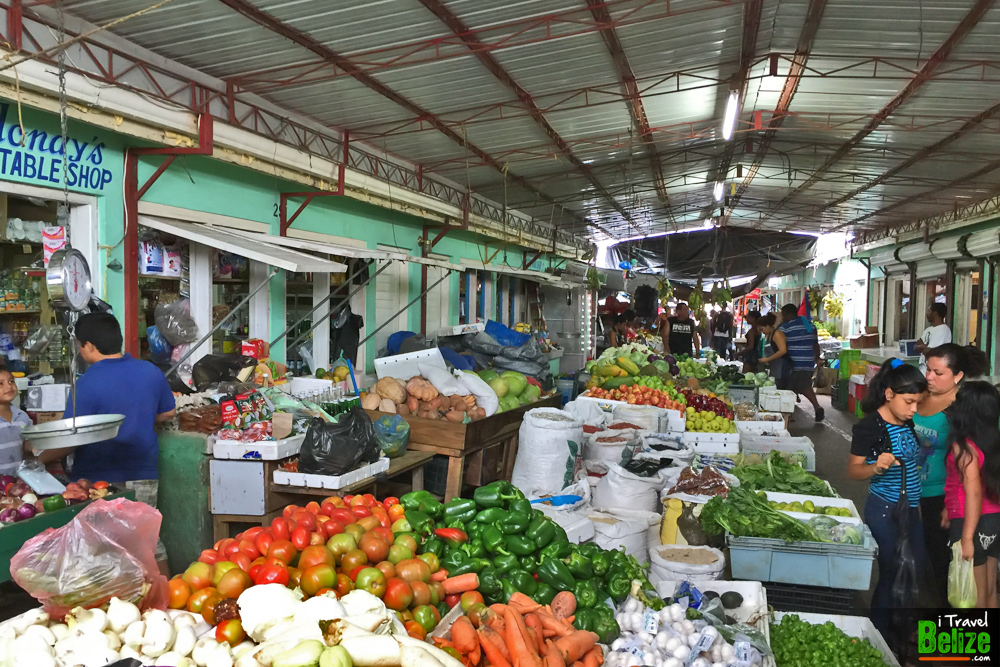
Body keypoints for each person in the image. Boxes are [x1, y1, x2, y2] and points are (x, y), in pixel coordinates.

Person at [36, 313, 176, 572]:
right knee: (146, 539)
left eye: (79, 345)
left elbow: (72, 436)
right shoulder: (149, 370)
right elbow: (168, 412)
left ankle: (114, 600)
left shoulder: (87, 383)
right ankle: (164, 598)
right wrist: (140, 415)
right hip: (142, 472)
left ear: (88, 345)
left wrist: (38, 459)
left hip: (98, 479)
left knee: (101, 545)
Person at [848, 359, 930, 634]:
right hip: (883, 510)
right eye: (909, 401)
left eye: (917, 402)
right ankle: (881, 636)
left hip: (910, 509)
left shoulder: (908, 422)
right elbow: (854, 471)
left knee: (912, 571)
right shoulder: (870, 427)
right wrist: (876, 466)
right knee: (891, 572)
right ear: (889, 394)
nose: (914, 409)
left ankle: (899, 632)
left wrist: (916, 509)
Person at [914, 344, 988, 593]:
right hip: (910, 491)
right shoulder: (919, 394)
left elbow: (975, 463)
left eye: (938, 372)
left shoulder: (962, 408)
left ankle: (941, 624)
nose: (929, 376)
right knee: (914, 559)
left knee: (941, 564)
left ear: (957, 376)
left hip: (940, 497)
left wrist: (951, 505)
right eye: (928, 369)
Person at [942, 380, 1000, 608]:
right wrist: (949, 507)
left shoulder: (964, 447)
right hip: (994, 521)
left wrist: (966, 538)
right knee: (990, 588)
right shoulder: (993, 441)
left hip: (971, 522)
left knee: (974, 595)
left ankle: (976, 642)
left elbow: (973, 493)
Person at [776, 303, 824, 421]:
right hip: (808, 362)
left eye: (783, 315)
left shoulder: (785, 328)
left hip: (794, 363)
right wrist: (816, 358)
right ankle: (814, 408)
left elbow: (779, 345)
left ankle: (790, 414)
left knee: (794, 387)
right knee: (801, 385)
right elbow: (815, 345)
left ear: (786, 314)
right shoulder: (810, 326)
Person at [0, 368, 31, 478]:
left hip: (18, 480)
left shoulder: (22, 416)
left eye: (11, 381)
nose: (9, 386)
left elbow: (25, 443)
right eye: (0, 383)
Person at [758, 313, 793, 393]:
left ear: (767, 326)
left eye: (762, 329)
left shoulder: (777, 334)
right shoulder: (769, 335)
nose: (762, 332)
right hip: (775, 368)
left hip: (782, 368)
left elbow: (783, 350)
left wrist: (768, 359)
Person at [915, 303, 952, 374]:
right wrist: (924, 346)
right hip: (922, 370)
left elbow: (932, 352)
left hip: (933, 371)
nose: (926, 314)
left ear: (935, 313)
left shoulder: (943, 330)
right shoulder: (928, 330)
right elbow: (915, 348)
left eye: (929, 311)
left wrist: (923, 347)